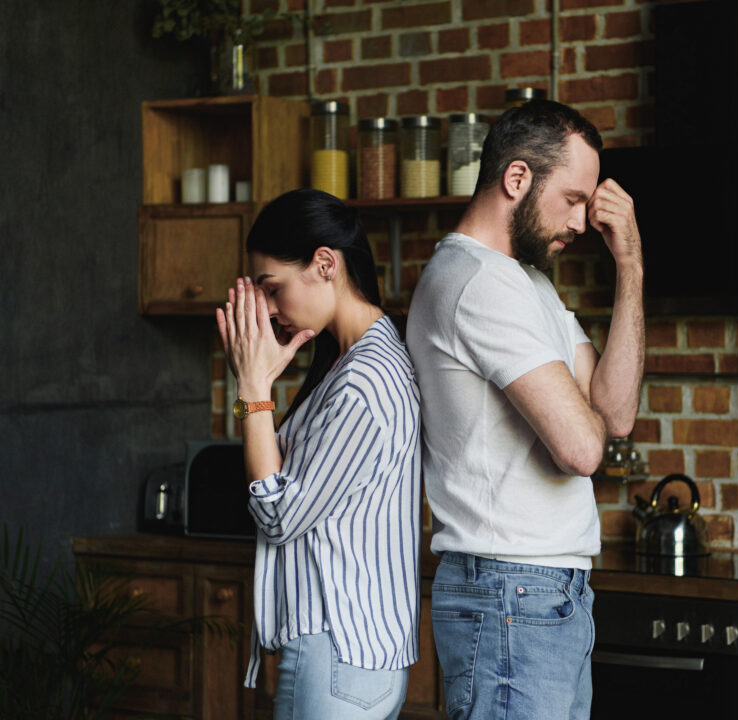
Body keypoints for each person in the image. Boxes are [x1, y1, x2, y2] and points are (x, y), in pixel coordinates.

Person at [406, 100, 645, 719]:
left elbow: (614, 415)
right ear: (517, 179)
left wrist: (631, 265)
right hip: (509, 590)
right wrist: (580, 410)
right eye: (571, 198)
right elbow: (583, 449)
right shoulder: (473, 280)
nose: (582, 220)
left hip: (544, 591)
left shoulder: (526, 282)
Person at [216, 189, 421, 720]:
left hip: (338, 652)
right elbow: (284, 475)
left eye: (273, 288)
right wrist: (255, 389)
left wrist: (252, 385)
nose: (267, 308)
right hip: (345, 653)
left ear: (325, 264)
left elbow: (279, 513)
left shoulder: (363, 381)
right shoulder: (350, 365)